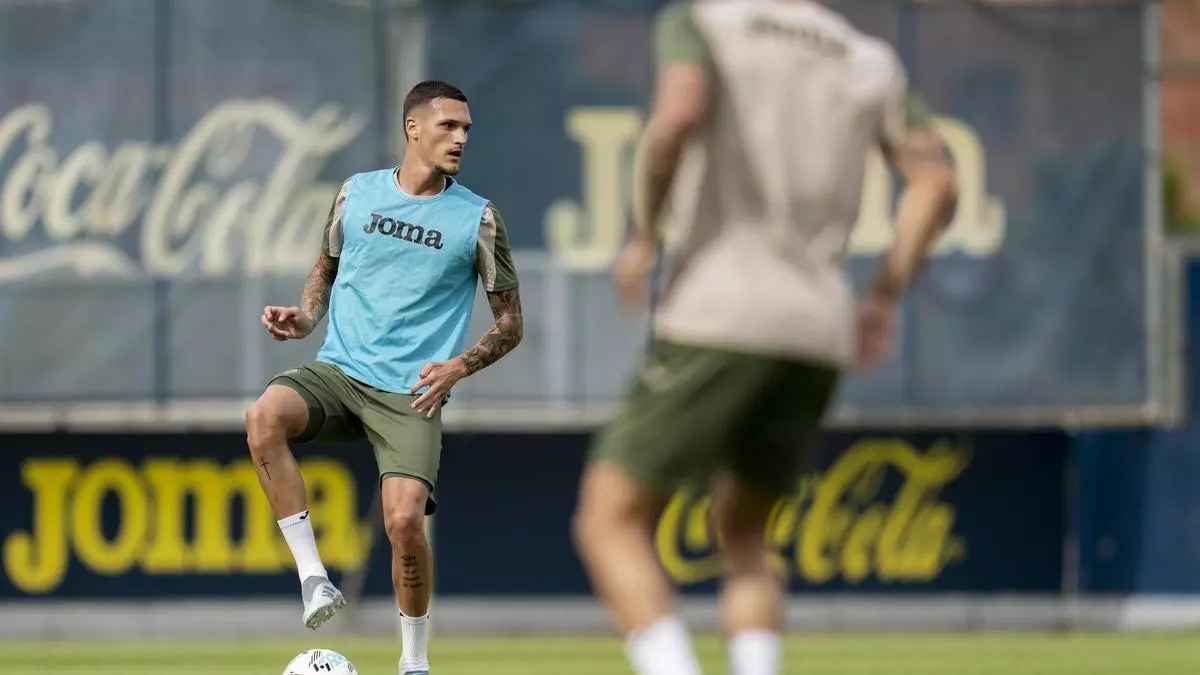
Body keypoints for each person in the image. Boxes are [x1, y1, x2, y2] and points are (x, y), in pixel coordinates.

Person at [571, 2, 958, 675]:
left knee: (609, 520)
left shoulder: (703, 21)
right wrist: (882, 294)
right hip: (816, 330)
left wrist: (644, 233)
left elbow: (678, 113)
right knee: (746, 534)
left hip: (717, 311)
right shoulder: (868, 58)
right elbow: (939, 180)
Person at [246, 80, 522, 675]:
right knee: (263, 416)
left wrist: (459, 366)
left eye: (466, 129)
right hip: (340, 372)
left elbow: (511, 323)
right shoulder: (357, 192)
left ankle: (413, 663)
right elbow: (325, 269)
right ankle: (314, 579)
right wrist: (306, 318)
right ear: (412, 128)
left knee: (403, 523)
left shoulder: (478, 218)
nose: (461, 138)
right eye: (449, 126)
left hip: (410, 395)